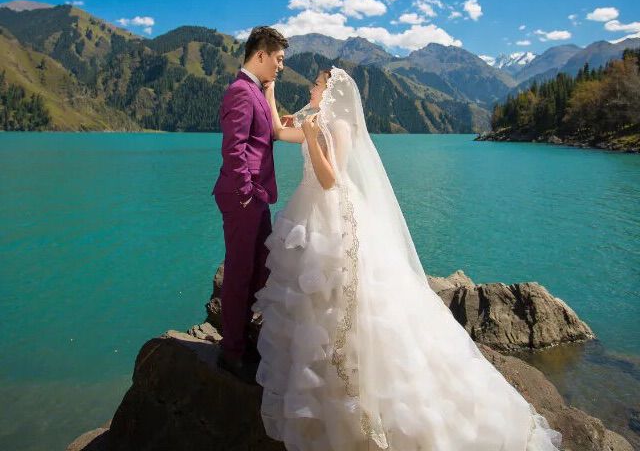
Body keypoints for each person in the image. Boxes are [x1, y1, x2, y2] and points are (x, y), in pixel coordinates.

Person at [251, 66, 564, 450]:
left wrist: (314, 138)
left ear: (332, 92)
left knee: (345, 300)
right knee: (312, 300)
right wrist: (270, 89)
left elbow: (331, 180)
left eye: (316, 84)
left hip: (333, 218)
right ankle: (315, 383)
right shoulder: (315, 121)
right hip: (310, 214)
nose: (311, 89)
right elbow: (279, 131)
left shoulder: (340, 127)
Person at [211, 25, 288, 384]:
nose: (281, 66)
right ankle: (232, 352)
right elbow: (234, 148)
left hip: (257, 196)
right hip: (244, 196)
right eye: (278, 59)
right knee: (240, 274)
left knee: (259, 270)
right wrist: (245, 193)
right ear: (260, 55)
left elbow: (264, 135)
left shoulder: (255, 90)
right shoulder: (241, 91)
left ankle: (242, 339)